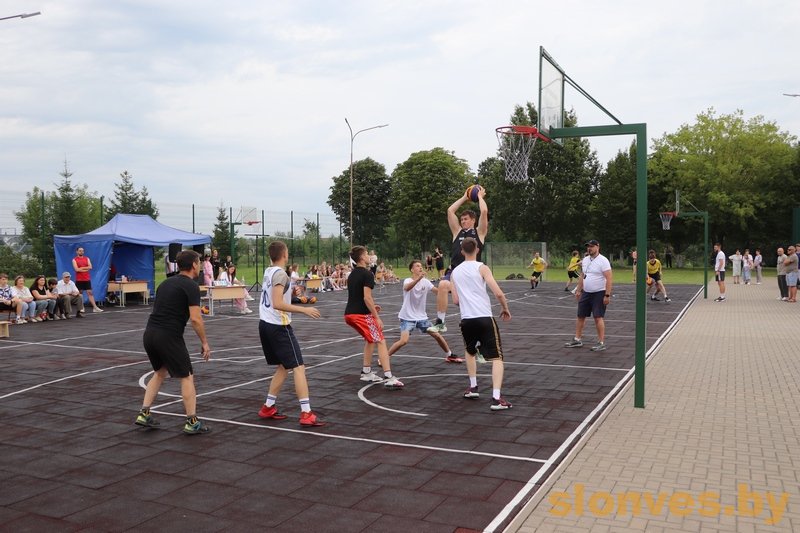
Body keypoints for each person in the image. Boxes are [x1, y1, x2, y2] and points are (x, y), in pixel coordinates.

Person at [135, 250, 212, 435]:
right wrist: (205, 342)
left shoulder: (165, 283)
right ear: (194, 265)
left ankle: (144, 413)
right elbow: (196, 319)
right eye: (199, 262)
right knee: (187, 376)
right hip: (168, 336)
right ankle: (192, 421)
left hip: (150, 334)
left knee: (160, 372)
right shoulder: (191, 286)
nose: (200, 266)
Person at [257, 241, 325, 426]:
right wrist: (304, 310)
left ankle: (268, 407)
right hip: (278, 326)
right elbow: (277, 303)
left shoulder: (269, 271)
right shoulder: (280, 274)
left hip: (265, 324)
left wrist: (292, 293)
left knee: (283, 366)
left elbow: (277, 295)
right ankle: (306, 413)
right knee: (299, 368)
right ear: (285, 255)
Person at [450, 237, 512, 410]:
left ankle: (473, 387)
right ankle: (496, 398)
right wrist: (505, 308)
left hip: (467, 319)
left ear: (462, 251)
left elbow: (455, 300)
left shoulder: (455, 272)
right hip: (484, 317)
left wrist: (467, 300)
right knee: (497, 357)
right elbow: (498, 293)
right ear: (477, 249)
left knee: (470, 351)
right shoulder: (482, 268)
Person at [428, 186, 489, 334]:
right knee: (443, 284)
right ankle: (440, 322)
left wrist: (479, 197)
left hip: (473, 274)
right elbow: (450, 211)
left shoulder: (479, 232)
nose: (463, 221)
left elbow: (484, 212)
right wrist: (464, 197)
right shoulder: (457, 232)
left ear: (473, 220)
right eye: (461, 219)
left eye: (466, 219)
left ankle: (480, 335)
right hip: (455, 272)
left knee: (472, 309)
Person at [344, 245, 404, 389]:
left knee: (370, 340)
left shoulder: (352, 274)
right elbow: (366, 297)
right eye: (366, 254)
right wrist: (376, 317)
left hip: (350, 314)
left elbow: (357, 297)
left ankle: (366, 372)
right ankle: (389, 377)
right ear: (361, 258)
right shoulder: (367, 274)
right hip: (360, 315)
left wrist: (371, 307)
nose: (369, 256)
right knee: (381, 341)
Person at [387, 260, 461, 364]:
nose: (420, 267)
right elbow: (407, 288)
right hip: (407, 317)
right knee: (403, 341)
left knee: (437, 335)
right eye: (417, 266)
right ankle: (384, 357)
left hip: (421, 318)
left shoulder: (426, 282)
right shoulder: (407, 280)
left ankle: (449, 355)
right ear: (412, 270)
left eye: (421, 266)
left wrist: (448, 288)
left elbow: (438, 292)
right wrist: (419, 279)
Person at [565, 239, 613, 351]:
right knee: (580, 315)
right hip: (586, 292)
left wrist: (607, 295)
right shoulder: (585, 260)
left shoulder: (603, 261)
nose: (589, 248)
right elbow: (583, 275)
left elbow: (609, 278)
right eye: (588, 246)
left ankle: (601, 342)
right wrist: (578, 290)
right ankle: (577, 339)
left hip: (599, 293)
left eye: (591, 246)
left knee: (598, 317)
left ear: (597, 247)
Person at [72, 246, 103, 312]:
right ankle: (82, 308)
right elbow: (76, 269)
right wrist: (85, 268)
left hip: (87, 279)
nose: (81, 252)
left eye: (82, 251)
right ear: (77, 252)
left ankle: (95, 308)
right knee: (80, 294)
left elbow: (90, 267)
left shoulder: (87, 258)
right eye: (80, 251)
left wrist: (81, 268)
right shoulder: (74, 260)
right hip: (79, 279)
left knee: (90, 293)